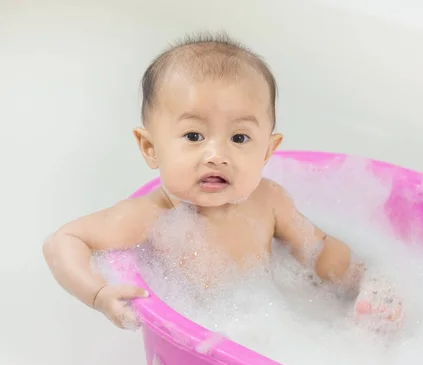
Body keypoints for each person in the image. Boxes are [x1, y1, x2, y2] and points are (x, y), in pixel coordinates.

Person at [42, 32, 402, 331]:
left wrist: (366, 281)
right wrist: (98, 293)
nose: (217, 155)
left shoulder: (269, 200)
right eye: (195, 136)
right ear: (151, 148)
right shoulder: (150, 217)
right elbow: (64, 241)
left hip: (278, 325)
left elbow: (318, 250)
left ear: (267, 150)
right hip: (207, 337)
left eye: (240, 138)